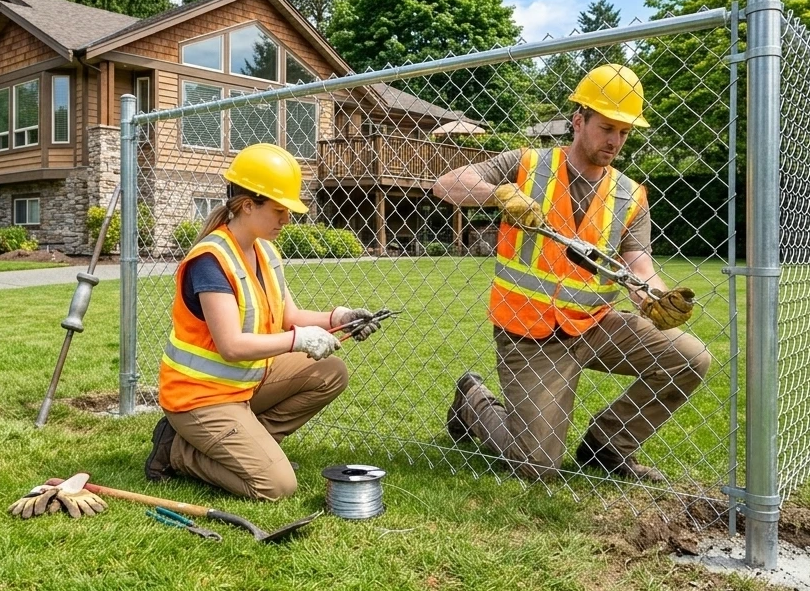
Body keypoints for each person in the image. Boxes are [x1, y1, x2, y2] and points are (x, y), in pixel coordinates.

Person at [433, 64, 709, 483]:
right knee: (538, 466)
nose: (615, 140)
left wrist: (653, 295)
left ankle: (606, 445)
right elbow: (447, 183)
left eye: (624, 132)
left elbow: (638, 261)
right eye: (606, 127)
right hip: (529, 333)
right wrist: (498, 195)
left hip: (596, 325)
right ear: (579, 122)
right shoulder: (526, 164)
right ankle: (474, 398)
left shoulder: (630, 194)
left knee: (691, 358)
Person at [143, 143, 380, 499]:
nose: (287, 219)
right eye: (279, 210)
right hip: (199, 398)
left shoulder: (265, 250)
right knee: (276, 486)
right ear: (247, 205)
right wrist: (297, 340)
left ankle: (253, 448)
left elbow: (290, 317)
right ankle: (178, 451)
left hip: (244, 387)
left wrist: (340, 317)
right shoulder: (211, 261)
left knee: (331, 371)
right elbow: (232, 345)